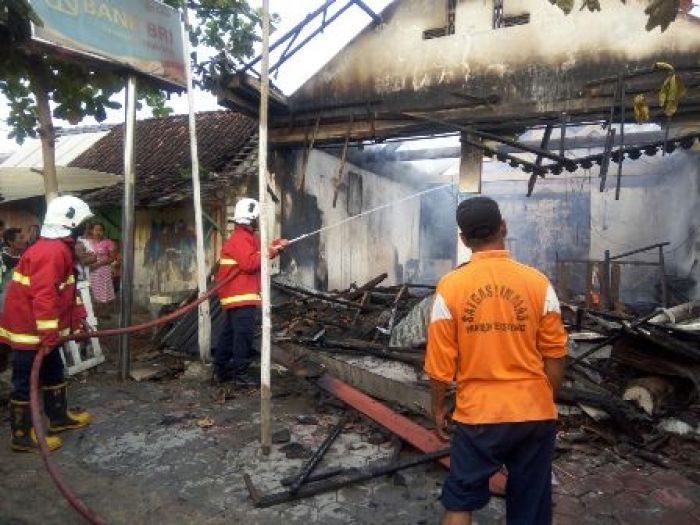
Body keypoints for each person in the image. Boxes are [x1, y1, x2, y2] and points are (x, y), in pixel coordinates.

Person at [424, 196, 567, 525]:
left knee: (460, 499)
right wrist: (545, 399)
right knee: (531, 506)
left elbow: (439, 363)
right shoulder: (538, 282)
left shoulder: (451, 286)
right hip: (534, 411)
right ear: (504, 228)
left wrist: (438, 408)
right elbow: (555, 354)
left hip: (479, 416)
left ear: (464, 239)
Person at [2, 195, 94, 452]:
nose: (85, 229)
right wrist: (49, 333)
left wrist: (80, 318)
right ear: (70, 224)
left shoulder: (59, 249)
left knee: (54, 370)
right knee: (25, 381)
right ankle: (21, 436)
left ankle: (58, 418)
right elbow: (44, 297)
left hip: (40, 332)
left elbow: (65, 290)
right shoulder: (52, 252)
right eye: (82, 223)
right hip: (29, 333)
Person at [214, 198, 287, 386]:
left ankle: (220, 370)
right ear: (251, 218)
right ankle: (240, 374)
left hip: (238, 297)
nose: (258, 222)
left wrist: (277, 245)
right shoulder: (240, 239)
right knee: (242, 336)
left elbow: (260, 251)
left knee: (230, 334)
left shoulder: (247, 238)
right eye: (257, 218)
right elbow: (249, 263)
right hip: (241, 296)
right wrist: (271, 251)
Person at [84, 223, 116, 317]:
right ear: (91, 231)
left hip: (103, 270)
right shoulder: (87, 242)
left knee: (104, 291)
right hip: (90, 271)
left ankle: (104, 313)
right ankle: (93, 313)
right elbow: (83, 256)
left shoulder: (108, 242)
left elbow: (112, 258)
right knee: (91, 291)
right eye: (96, 230)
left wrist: (98, 264)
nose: (98, 232)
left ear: (103, 231)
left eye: (100, 230)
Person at [0, 228, 27, 310]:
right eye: (20, 238)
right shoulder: (1, 258)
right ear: (10, 242)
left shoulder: (25, 258)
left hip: (19, 301)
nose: (24, 241)